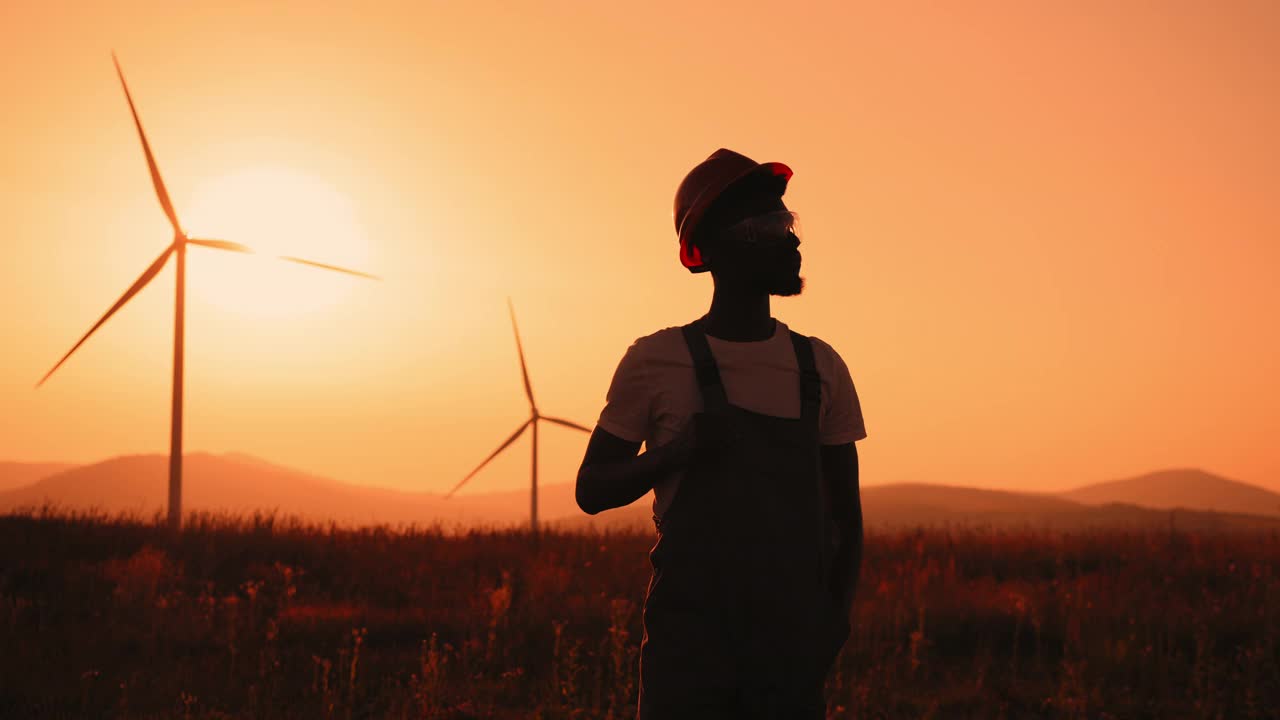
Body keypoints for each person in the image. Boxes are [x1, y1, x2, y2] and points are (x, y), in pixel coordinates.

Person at [575, 148, 867, 719]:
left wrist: (832, 620)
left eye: (789, 224)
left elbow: (846, 520)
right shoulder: (654, 360)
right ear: (708, 252)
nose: (793, 241)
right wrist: (680, 452)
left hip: (790, 651)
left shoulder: (822, 367)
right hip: (691, 651)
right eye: (769, 227)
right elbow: (593, 488)